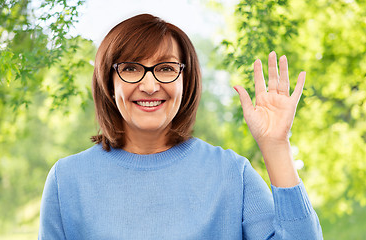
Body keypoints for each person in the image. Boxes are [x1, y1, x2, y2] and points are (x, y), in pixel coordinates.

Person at [38, 14, 323, 239]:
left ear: (186, 81)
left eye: (166, 68)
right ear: (108, 82)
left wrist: (276, 146)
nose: (149, 86)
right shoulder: (66, 180)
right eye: (131, 68)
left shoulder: (232, 174)